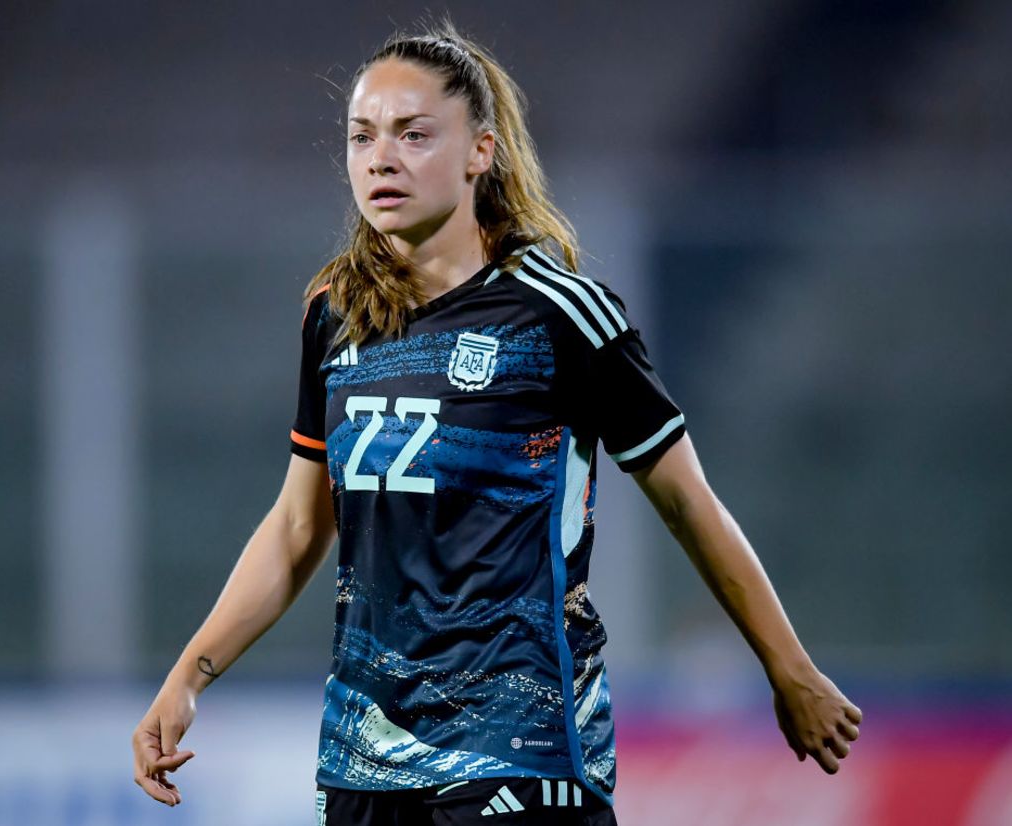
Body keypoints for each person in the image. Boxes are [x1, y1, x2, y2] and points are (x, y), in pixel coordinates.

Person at [131, 21, 862, 825]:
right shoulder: (334, 315)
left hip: (521, 750)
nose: (381, 158)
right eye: (362, 136)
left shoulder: (559, 315)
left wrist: (787, 669)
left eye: (414, 135)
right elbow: (300, 526)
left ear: (481, 151)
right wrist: (190, 675)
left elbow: (688, 501)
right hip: (363, 761)